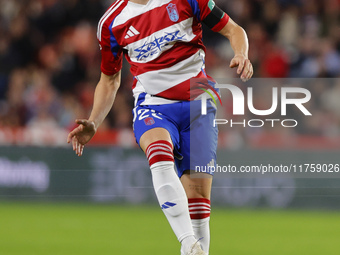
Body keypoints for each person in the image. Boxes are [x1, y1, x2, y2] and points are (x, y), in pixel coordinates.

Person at [67, 0, 253, 254]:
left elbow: (234, 30)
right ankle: (188, 243)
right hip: (153, 104)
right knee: (159, 154)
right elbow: (109, 79)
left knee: (198, 201)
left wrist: (241, 53)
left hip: (198, 103)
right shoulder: (111, 22)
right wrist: (95, 121)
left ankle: (197, 249)